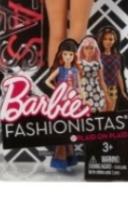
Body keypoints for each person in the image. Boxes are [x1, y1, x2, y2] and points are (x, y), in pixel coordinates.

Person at [45, 38, 81, 171]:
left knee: (69, 128)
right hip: (61, 102)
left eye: (70, 54)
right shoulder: (60, 70)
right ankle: (61, 158)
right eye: (65, 54)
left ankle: (67, 157)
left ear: (74, 56)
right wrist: (57, 89)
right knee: (63, 127)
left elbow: (79, 86)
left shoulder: (75, 71)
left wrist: (81, 98)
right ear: (61, 55)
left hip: (72, 101)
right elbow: (47, 81)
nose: (68, 56)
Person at [96, 26, 128, 111]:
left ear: (114, 41)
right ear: (101, 40)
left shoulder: (116, 57)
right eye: (105, 39)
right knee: (101, 111)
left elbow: (118, 74)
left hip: (112, 88)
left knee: (110, 112)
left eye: (110, 39)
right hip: (100, 87)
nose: (108, 42)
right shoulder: (98, 56)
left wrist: (122, 91)